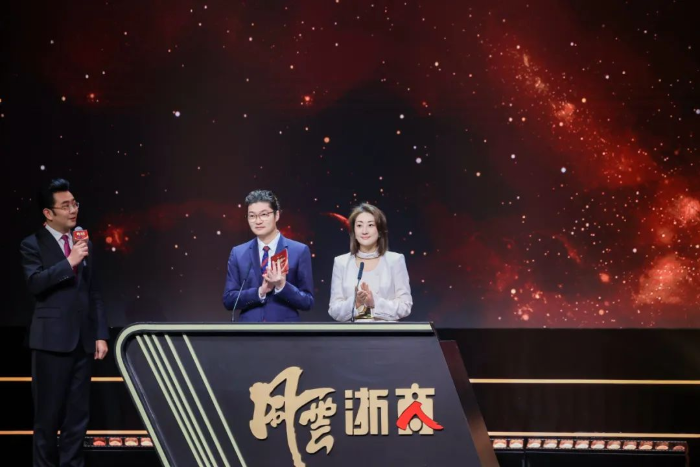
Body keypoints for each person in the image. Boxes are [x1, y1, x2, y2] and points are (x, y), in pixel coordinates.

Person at [20, 178, 109, 467]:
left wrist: (100, 334)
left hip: (83, 342)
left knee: (77, 417)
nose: (73, 210)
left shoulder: (84, 243)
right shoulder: (32, 244)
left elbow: (94, 292)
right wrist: (69, 262)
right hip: (50, 343)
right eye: (65, 206)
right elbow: (35, 283)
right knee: (47, 419)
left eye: (75, 204)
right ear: (48, 213)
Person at [223, 190, 314, 321]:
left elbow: (308, 301)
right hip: (249, 331)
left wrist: (282, 286)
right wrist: (260, 292)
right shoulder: (238, 253)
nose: (258, 221)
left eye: (264, 214)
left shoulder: (299, 251)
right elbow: (229, 300)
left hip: (284, 330)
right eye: (252, 216)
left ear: (277, 215)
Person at [329, 203, 412, 322]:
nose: (364, 231)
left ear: (380, 231)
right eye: (359, 225)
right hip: (352, 333)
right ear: (353, 231)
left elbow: (405, 306)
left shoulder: (395, 260)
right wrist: (355, 302)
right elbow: (334, 310)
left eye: (370, 225)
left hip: (386, 332)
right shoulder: (341, 262)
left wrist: (375, 303)